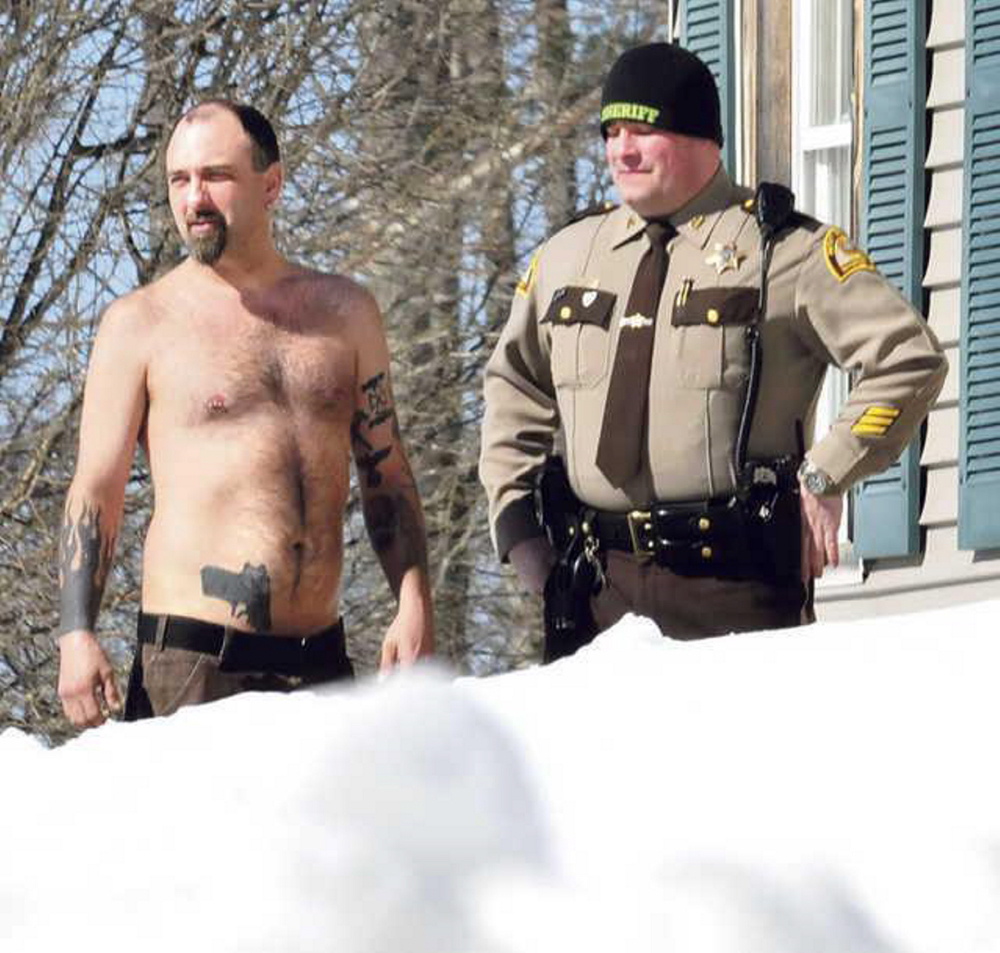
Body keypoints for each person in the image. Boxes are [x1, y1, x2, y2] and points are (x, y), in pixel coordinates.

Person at [479, 42, 947, 660]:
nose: (622, 150)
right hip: (596, 590)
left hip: (734, 589)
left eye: (643, 130)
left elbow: (909, 357)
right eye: (611, 132)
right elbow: (514, 389)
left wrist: (829, 469)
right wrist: (520, 537)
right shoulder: (568, 257)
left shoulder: (783, 250)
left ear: (703, 136)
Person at [56, 100, 434, 728]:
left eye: (215, 176)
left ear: (272, 184)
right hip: (196, 663)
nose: (194, 198)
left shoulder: (345, 314)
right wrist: (76, 634)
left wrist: (414, 598)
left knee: (336, 830)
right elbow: (97, 492)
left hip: (320, 661)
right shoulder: (141, 324)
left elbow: (386, 475)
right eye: (179, 180)